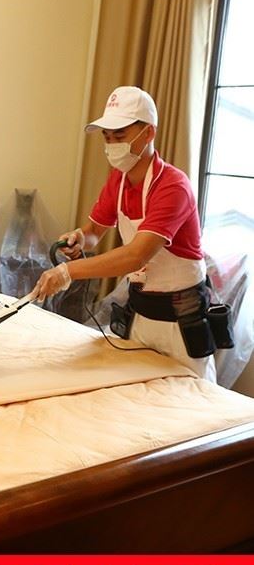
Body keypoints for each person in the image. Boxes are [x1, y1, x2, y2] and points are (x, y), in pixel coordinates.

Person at [33, 85, 217, 382]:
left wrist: (68, 271)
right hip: (141, 316)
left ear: (148, 133)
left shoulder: (173, 186)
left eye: (119, 136)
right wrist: (80, 239)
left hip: (181, 325)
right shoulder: (118, 181)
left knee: (187, 398)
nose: (111, 145)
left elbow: (136, 255)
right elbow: (95, 231)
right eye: (107, 137)